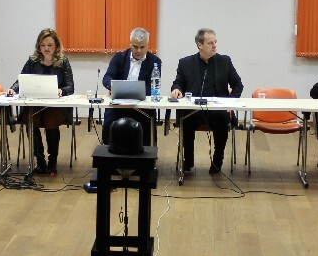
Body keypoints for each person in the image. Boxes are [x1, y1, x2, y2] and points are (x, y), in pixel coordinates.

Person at [170, 28, 244, 174]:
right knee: (186, 118)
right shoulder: (185, 63)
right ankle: (188, 161)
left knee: (222, 117)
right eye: (210, 43)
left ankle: (217, 160)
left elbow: (238, 85)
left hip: (217, 109)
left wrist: (230, 103)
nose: (215, 45)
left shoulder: (224, 61)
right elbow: (177, 83)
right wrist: (176, 90)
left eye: (215, 42)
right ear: (200, 45)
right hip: (194, 109)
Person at [8, 28, 74, 175]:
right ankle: (39, 161)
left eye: (50, 45)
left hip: (56, 107)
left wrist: (61, 91)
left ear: (56, 45)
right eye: (43, 45)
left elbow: (70, 86)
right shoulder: (33, 61)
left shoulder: (63, 61)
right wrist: (13, 89)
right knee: (30, 119)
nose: (46, 48)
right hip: (35, 105)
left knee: (50, 119)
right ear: (39, 46)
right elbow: (21, 80)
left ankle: (52, 161)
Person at [101, 27, 162, 146]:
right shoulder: (119, 57)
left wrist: (136, 92)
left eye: (142, 47)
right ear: (130, 44)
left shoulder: (155, 61)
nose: (139, 50)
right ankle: (108, 150)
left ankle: (146, 153)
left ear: (148, 45)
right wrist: (112, 86)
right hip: (119, 104)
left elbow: (153, 87)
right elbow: (107, 77)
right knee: (109, 120)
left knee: (147, 122)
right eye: (135, 46)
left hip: (142, 106)